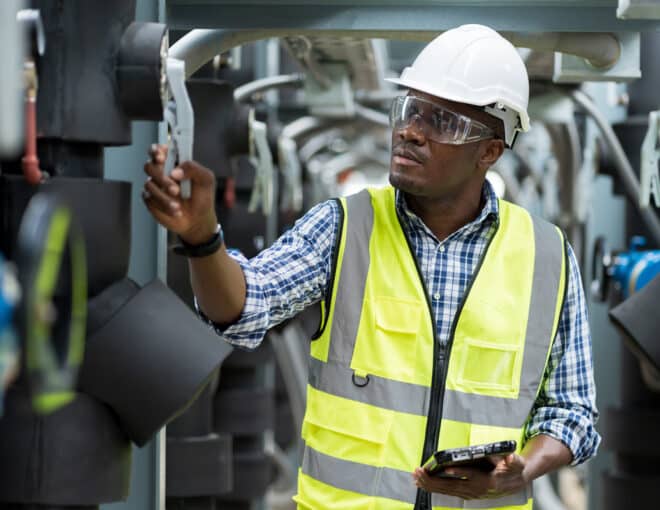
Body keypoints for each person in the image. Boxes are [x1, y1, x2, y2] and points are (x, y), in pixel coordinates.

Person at [143, 24, 599, 510]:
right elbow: (242, 308)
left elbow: (573, 412)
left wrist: (521, 471)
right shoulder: (344, 228)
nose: (410, 131)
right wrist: (203, 240)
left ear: (488, 150)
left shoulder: (547, 256)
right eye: (408, 110)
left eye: (441, 122)